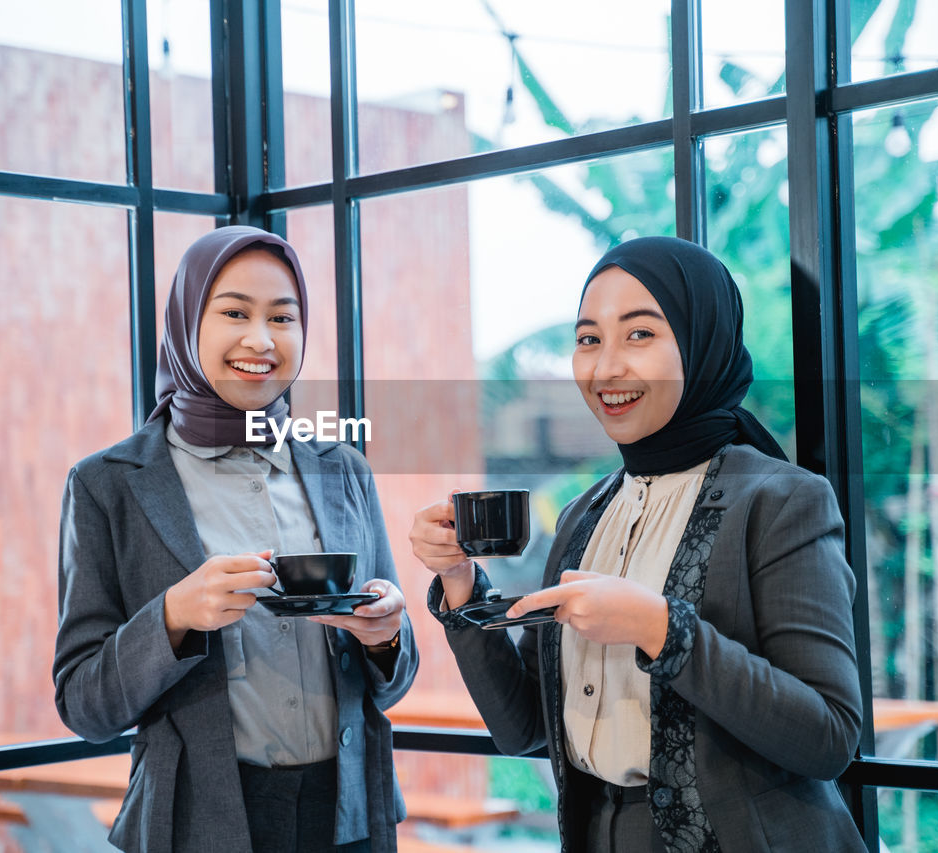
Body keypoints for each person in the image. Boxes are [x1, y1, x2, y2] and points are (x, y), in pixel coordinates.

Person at [410, 236, 865, 851]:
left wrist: (662, 629)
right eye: (589, 339)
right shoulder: (582, 516)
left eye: (640, 335)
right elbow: (521, 728)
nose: (605, 368)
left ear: (702, 346)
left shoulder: (782, 500)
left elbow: (829, 737)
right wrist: (462, 585)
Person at [54, 225, 417, 853]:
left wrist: (386, 636)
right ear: (187, 322)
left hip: (349, 819)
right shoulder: (108, 484)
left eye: (283, 316)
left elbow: (394, 678)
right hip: (197, 823)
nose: (261, 339)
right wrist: (172, 615)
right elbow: (84, 705)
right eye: (234, 312)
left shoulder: (342, 470)